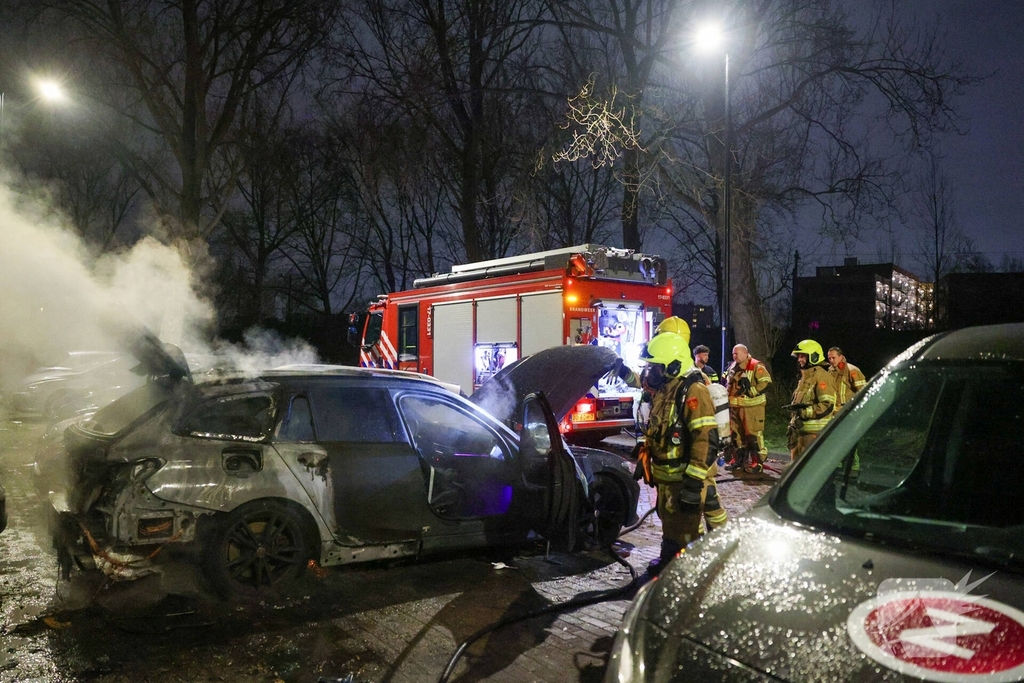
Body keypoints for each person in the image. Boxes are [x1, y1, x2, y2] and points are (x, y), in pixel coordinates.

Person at [629, 332, 726, 577]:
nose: (652, 371)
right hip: (667, 477)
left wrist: (694, 484)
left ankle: (688, 575)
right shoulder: (666, 387)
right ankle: (670, 562)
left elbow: (705, 439)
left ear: (672, 365)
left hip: (683, 478)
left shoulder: (693, 391)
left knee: (685, 529)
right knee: (670, 524)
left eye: (656, 366)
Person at [785, 339, 837, 462]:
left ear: (814, 356)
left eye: (803, 356)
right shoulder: (805, 377)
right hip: (799, 433)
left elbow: (827, 405)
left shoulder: (822, 377)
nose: (799, 360)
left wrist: (804, 412)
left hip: (813, 435)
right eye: (798, 356)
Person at [724, 343, 772, 473]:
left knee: (753, 435)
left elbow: (766, 382)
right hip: (735, 407)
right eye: (733, 353)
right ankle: (739, 460)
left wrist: (752, 391)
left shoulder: (756, 365)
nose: (734, 356)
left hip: (752, 408)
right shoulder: (733, 366)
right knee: (736, 435)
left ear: (745, 353)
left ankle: (758, 462)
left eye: (737, 353)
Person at [827, 345, 866, 477]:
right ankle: (837, 465)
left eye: (833, 357)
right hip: (834, 411)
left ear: (841, 357)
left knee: (848, 439)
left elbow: (863, 391)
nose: (831, 360)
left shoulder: (852, 370)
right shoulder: (830, 371)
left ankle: (854, 467)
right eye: (829, 358)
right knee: (834, 439)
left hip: (848, 410)